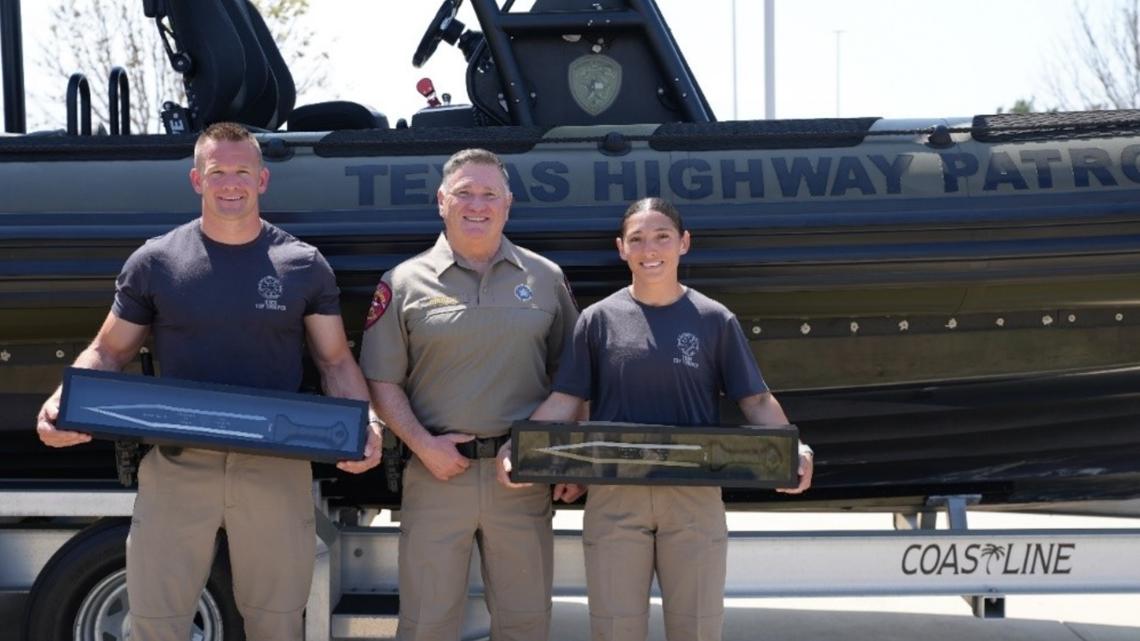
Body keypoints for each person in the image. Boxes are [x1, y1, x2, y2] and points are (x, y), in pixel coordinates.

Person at [35, 122, 381, 641]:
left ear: (262, 179)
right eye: (217, 171)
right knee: (157, 622)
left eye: (242, 171)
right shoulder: (156, 262)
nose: (230, 183)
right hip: (178, 466)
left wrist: (367, 423)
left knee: (277, 623)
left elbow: (334, 361)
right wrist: (64, 399)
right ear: (197, 179)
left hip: (275, 466)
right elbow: (109, 349)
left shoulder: (302, 265)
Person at [507, 197, 814, 641]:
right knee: (615, 629)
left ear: (684, 243)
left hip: (695, 495)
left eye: (662, 237)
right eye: (637, 239)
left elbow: (757, 401)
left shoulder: (714, 319)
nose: (650, 249)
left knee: (697, 628)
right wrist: (515, 449)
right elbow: (565, 400)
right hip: (614, 494)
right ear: (621, 248)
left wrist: (795, 447)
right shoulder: (597, 321)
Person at [358, 148, 579, 641]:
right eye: (464, 193)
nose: (476, 205)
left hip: (519, 477)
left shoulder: (545, 279)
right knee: (425, 625)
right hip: (436, 472)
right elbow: (381, 380)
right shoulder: (403, 282)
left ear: (508, 204)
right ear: (442, 200)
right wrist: (422, 445)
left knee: (526, 625)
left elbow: (574, 379)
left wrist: (556, 456)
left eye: (489, 194)